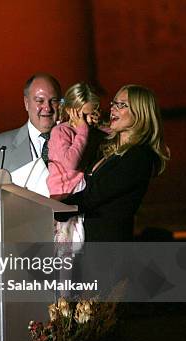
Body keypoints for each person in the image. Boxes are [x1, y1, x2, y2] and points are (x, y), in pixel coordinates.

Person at [62, 84, 169, 242]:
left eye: (122, 105)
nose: (113, 108)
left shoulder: (139, 156)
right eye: (113, 103)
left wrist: (54, 208)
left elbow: (93, 196)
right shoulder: (108, 150)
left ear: (140, 112)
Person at [47, 83, 106, 248]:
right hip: (65, 198)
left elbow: (112, 135)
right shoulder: (61, 132)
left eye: (92, 114)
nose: (88, 120)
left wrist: (99, 124)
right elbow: (71, 163)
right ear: (70, 111)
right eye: (84, 115)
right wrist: (83, 131)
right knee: (66, 251)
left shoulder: (89, 129)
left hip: (82, 198)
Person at [0, 73, 61, 171]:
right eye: (40, 101)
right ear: (26, 103)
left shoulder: (77, 141)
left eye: (53, 101)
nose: (47, 108)